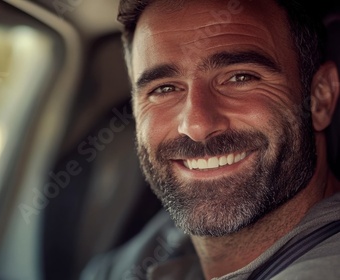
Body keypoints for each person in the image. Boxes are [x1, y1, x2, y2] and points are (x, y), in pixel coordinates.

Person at [81, 0, 340, 279]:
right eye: (164, 88)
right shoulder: (165, 240)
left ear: (320, 98)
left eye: (239, 77)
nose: (196, 125)